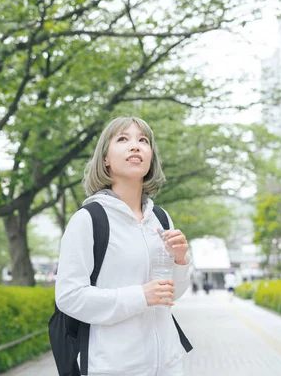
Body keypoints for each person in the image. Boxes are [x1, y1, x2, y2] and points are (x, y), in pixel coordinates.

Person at [55, 116, 192, 376]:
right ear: (105, 158)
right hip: (113, 368)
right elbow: (69, 297)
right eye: (123, 139)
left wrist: (181, 261)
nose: (135, 146)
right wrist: (140, 296)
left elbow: (169, 296)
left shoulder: (160, 218)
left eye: (143, 140)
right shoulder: (89, 220)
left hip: (169, 366)